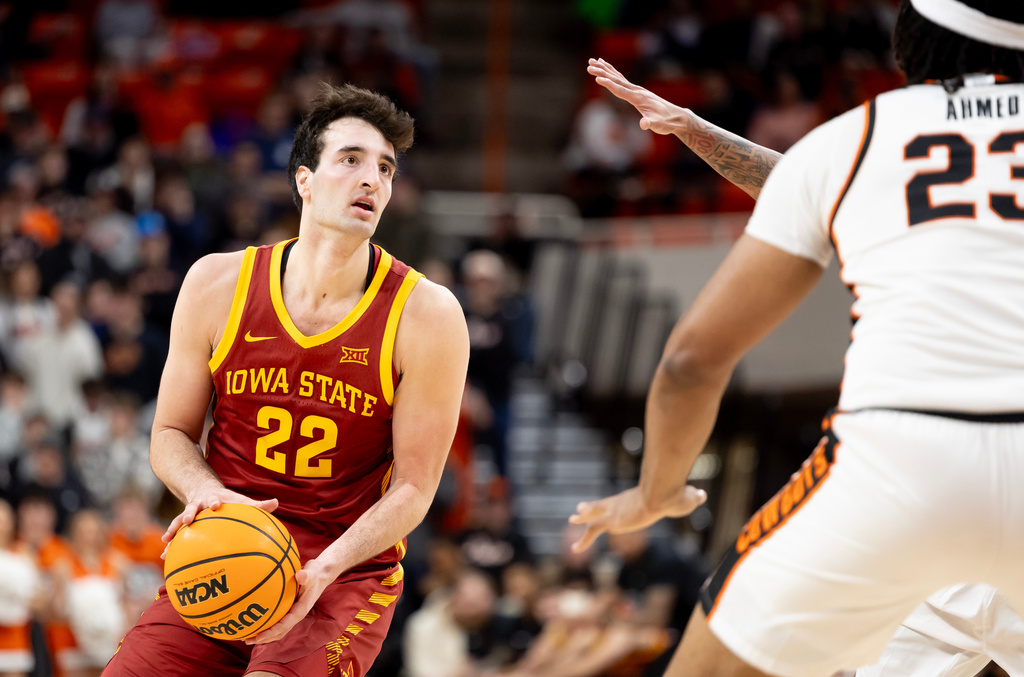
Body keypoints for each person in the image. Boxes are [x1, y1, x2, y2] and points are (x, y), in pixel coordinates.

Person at [570, 1, 1024, 676]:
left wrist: (655, 491)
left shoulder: (864, 135)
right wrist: (695, 126)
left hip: (899, 467)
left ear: (910, 43)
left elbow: (693, 359)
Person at [102, 83, 469, 677]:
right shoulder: (216, 284)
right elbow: (169, 431)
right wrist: (202, 491)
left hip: (344, 570)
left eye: (385, 167)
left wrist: (325, 567)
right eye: (350, 160)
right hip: (230, 548)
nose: (372, 179)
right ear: (304, 179)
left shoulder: (428, 315)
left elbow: (415, 489)